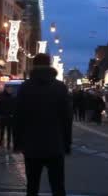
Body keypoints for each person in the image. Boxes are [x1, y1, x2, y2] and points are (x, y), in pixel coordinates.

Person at [14, 54, 73, 196]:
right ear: (50, 65)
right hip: (55, 144)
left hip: (31, 145)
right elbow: (67, 118)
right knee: (58, 186)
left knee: (32, 187)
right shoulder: (60, 87)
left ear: (33, 65)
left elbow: (18, 117)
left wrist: (18, 143)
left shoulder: (25, 87)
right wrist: (67, 143)